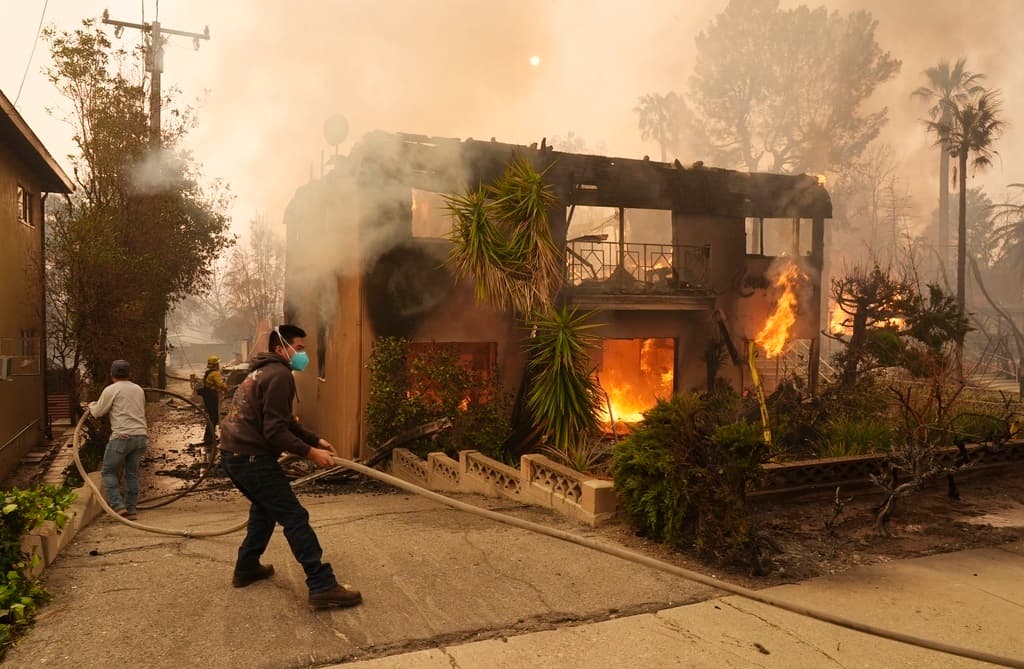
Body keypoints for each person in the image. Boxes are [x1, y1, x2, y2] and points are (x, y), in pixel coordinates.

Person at [219, 324, 362, 608]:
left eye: (304, 349)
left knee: (264, 510)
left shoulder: (263, 372)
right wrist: (311, 453)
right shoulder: (281, 375)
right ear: (280, 349)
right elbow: (275, 432)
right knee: (294, 516)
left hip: (234, 454)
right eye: (298, 348)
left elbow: (282, 422)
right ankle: (321, 585)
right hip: (250, 458)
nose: (303, 355)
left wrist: (315, 439)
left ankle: (246, 567)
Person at [89, 360, 148, 521]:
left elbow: (98, 412)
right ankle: (132, 509)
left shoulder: (111, 390)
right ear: (129, 374)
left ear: (111, 374)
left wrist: (91, 405)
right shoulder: (138, 389)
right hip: (141, 437)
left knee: (108, 471)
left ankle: (118, 507)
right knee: (131, 474)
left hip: (122, 437)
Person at [198, 355, 229, 445]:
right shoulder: (215, 373)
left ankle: (210, 435)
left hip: (207, 396)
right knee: (214, 416)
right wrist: (227, 388)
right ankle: (209, 437)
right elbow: (221, 385)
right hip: (211, 396)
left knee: (212, 416)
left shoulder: (208, 372)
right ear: (216, 364)